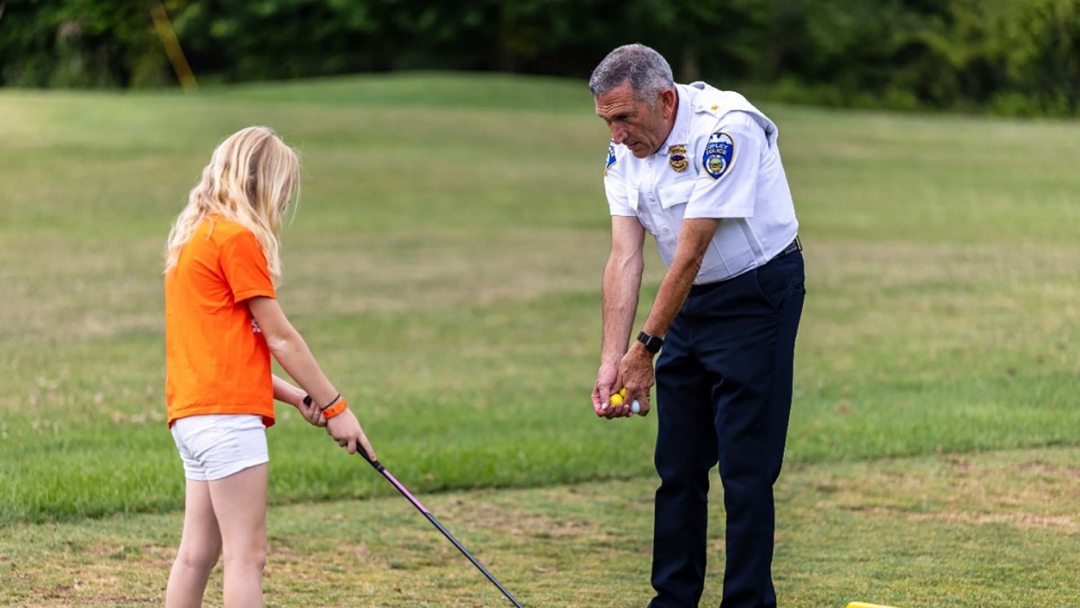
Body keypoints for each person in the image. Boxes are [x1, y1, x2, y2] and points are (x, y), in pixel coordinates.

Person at [589, 44, 806, 608]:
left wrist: (646, 349)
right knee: (679, 465)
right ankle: (674, 600)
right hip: (685, 301)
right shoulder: (624, 151)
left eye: (623, 119)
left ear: (664, 100)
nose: (615, 135)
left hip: (756, 296)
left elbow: (689, 251)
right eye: (606, 121)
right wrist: (614, 359)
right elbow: (624, 257)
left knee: (745, 468)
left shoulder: (726, 129)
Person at [162, 126, 376, 608]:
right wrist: (335, 405)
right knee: (247, 557)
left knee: (197, 554)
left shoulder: (194, 237)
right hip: (226, 425)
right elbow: (280, 336)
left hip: (194, 419)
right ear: (263, 184)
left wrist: (299, 397)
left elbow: (232, 356)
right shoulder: (236, 240)